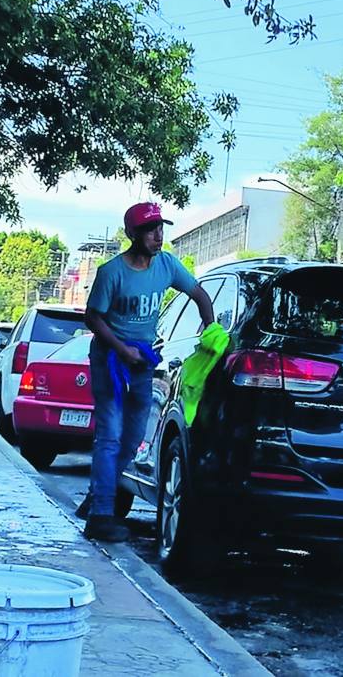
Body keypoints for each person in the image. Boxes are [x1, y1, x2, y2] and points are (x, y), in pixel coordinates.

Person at [81, 203, 214, 542]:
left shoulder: (167, 264)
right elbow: (92, 318)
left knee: (133, 437)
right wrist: (120, 349)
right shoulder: (112, 272)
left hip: (142, 362)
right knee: (110, 434)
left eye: (160, 228)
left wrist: (210, 329)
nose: (158, 235)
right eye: (150, 229)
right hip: (110, 360)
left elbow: (199, 294)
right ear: (132, 235)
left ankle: (99, 494)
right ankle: (100, 517)